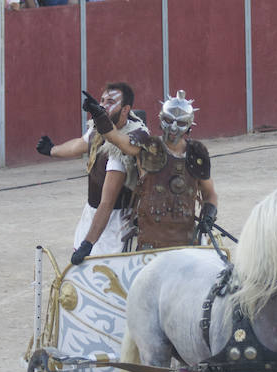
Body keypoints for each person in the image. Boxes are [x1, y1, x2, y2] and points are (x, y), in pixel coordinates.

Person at [83, 88, 218, 251]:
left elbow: (209, 193)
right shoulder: (147, 146)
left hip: (187, 239)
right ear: (161, 119)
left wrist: (209, 214)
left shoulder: (197, 153)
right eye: (169, 120)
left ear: (189, 124)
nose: (174, 128)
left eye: (180, 123)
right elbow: (116, 138)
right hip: (150, 242)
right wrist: (100, 116)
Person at [36, 82, 144, 261]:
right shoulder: (98, 129)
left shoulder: (123, 145)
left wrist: (89, 243)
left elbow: (107, 203)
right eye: (102, 100)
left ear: (125, 109)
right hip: (93, 215)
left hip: (114, 227)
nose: (102, 106)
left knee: (107, 281)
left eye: (110, 101)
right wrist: (53, 150)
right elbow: (80, 144)